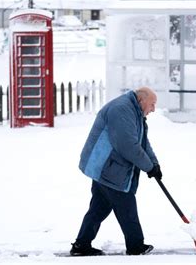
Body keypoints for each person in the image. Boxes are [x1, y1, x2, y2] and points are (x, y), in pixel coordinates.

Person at [70, 87, 163, 256]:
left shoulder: (133, 111)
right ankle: (135, 246)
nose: (153, 109)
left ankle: (81, 245)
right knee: (126, 206)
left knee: (99, 207)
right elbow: (127, 145)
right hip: (107, 166)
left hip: (107, 166)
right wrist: (148, 167)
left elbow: (142, 141)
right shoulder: (121, 110)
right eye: (152, 105)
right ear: (141, 101)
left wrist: (154, 165)